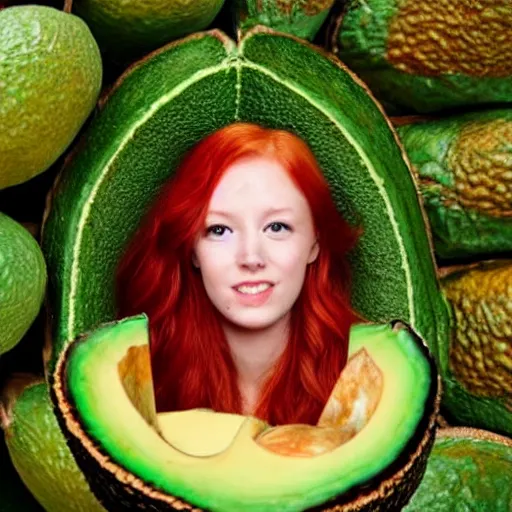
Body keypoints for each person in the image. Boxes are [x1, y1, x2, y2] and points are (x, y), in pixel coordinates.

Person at [115, 122, 362, 426]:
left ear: (315, 242)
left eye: (277, 227)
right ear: (192, 249)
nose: (251, 258)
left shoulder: (363, 376)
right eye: (219, 230)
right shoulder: (142, 378)